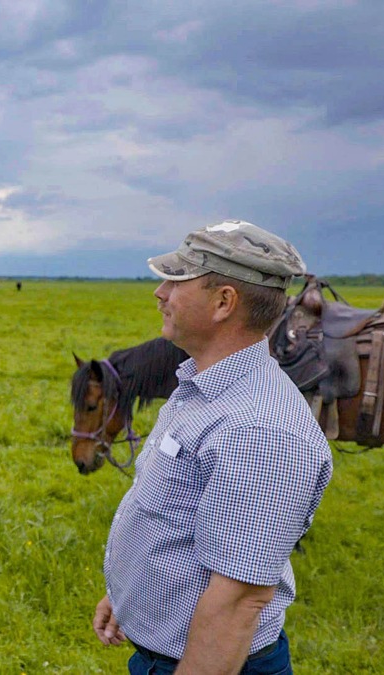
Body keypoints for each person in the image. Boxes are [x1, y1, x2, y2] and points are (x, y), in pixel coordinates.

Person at [92, 220, 333, 674]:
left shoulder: (259, 430)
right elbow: (175, 516)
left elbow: (238, 601)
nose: (160, 293)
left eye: (177, 281)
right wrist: (127, 592)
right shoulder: (205, 385)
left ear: (224, 303)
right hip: (162, 649)